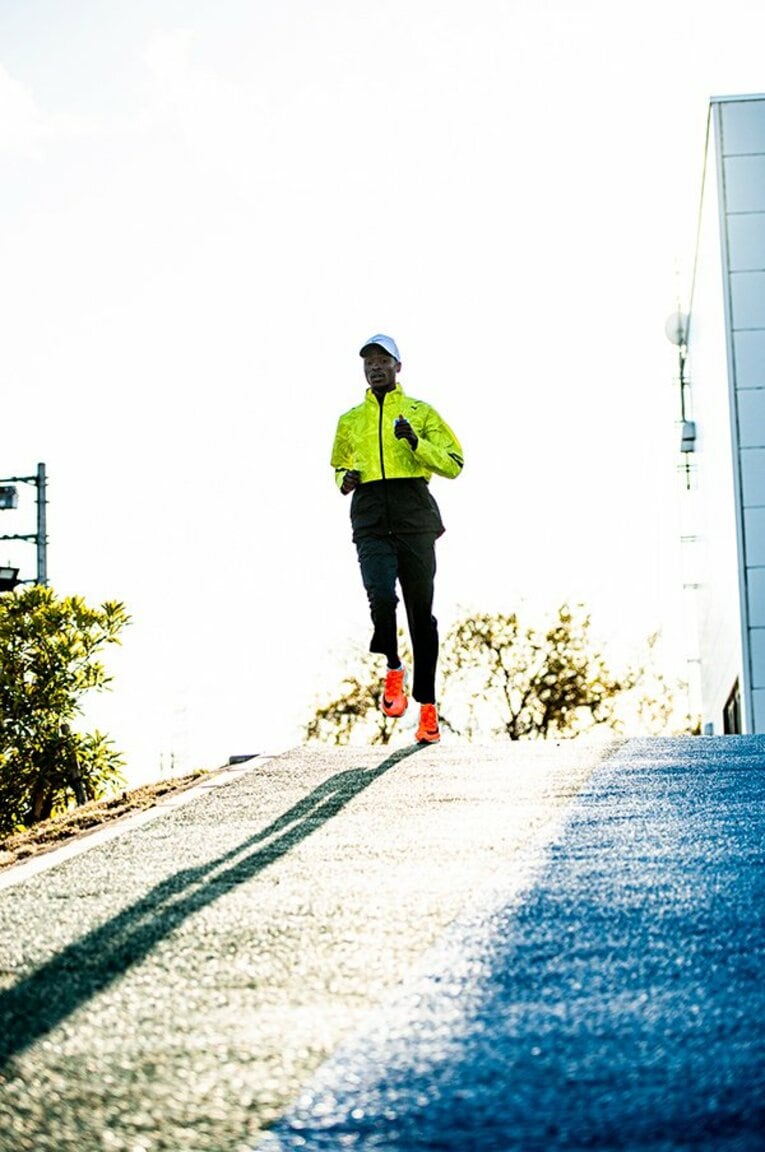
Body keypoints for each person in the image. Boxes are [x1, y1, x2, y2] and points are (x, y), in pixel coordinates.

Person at [331, 334, 463, 744]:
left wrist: (414, 441)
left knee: (421, 617)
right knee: (381, 597)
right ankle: (392, 667)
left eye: (383, 360)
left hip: (413, 517)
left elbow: (455, 463)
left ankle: (427, 708)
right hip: (370, 517)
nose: (375, 367)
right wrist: (345, 479)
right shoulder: (349, 420)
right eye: (368, 361)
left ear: (397, 367)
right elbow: (337, 466)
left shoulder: (421, 412)